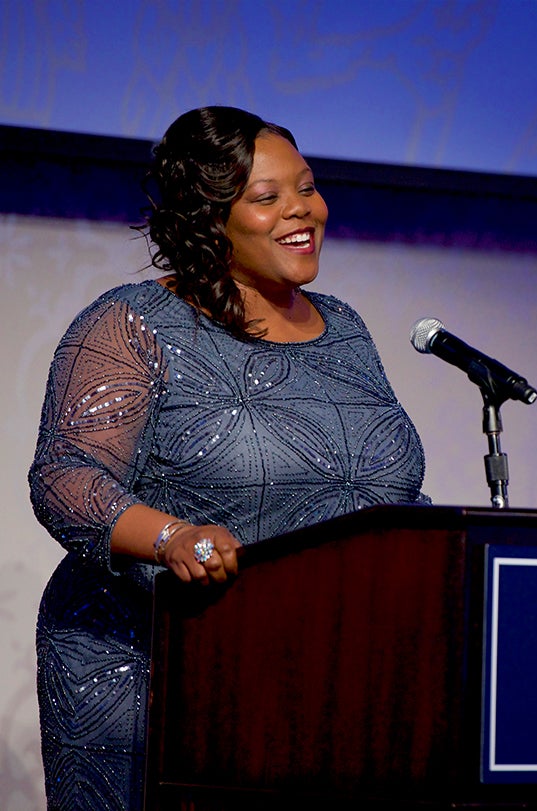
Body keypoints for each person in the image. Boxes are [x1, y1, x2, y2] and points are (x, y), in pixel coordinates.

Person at [29, 106, 430, 811]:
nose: (300, 210)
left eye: (306, 187)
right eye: (267, 197)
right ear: (211, 219)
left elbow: (373, 482)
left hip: (321, 664)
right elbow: (66, 477)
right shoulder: (132, 322)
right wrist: (171, 536)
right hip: (156, 665)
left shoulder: (346, 328)